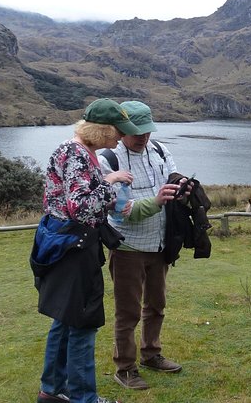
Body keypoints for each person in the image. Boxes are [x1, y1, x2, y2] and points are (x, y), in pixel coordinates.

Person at [31, 98, 140, 403]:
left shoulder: (77, 151)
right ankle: (82, 397)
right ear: (103, 129)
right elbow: (81, 207)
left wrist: (104, 183)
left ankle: (52, 391)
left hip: (66, 244)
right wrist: (111, 181)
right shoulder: (77, 153)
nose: (120, 137)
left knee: (65, 321)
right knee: (82, 323)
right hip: (75, 248)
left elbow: (75, 196)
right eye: (118, 131)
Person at [99, 101, 185, 391]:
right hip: (128, 249)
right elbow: (120, 211)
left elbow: (172, 176)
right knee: (128, 312)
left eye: (147, 131)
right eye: (137, 132)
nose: (143, 137)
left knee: (157, 305)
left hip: (159, 246)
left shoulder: (159, 150)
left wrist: (181, 184)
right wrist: (158, 201)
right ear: (121, 129)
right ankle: (125, 369)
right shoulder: (108, 160)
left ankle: (151, 354)